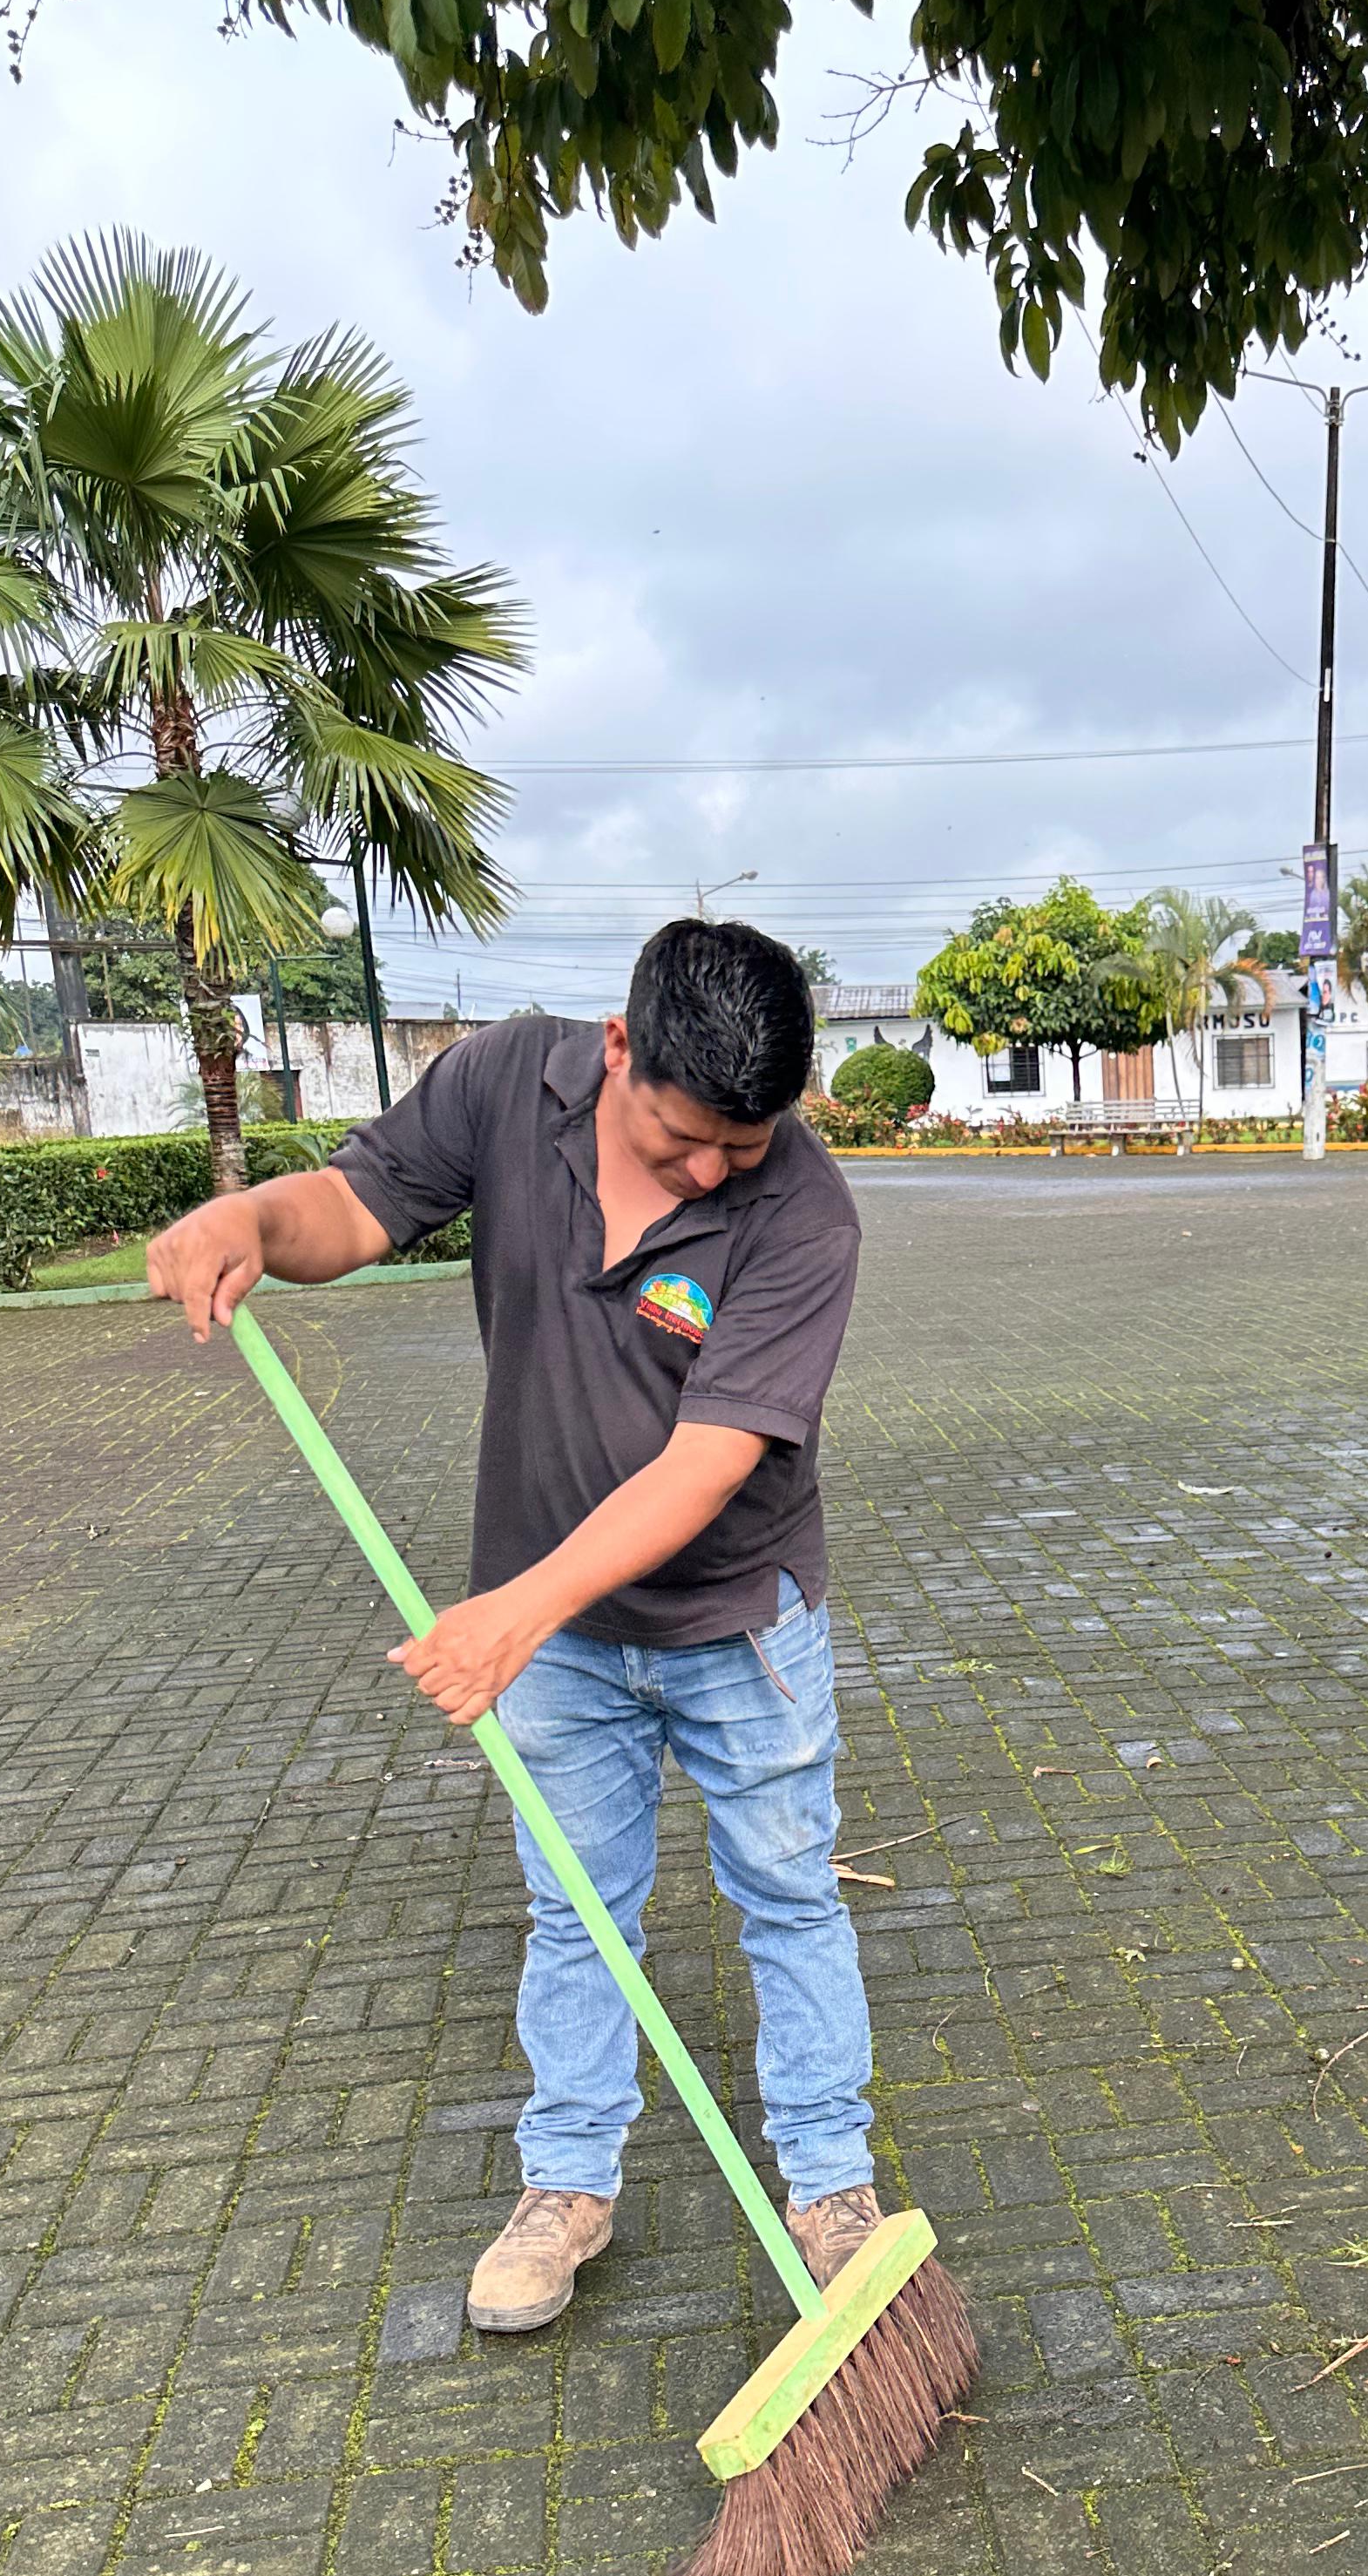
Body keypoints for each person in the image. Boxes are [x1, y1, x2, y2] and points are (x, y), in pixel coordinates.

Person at [146, 917, 888, 2333]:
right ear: (617, 1049)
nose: (713, 1172)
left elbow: (707, 1462)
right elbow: (354, 1206)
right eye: (685, 1140)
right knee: (577, 1907)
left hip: (739, 1626)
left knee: (790, 1896)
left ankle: (830, 2182)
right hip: (561, 1641)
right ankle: (568, 2183)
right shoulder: (504, 1082)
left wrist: (515, 1614)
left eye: (742, 1147)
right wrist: (251, 1223)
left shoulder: (805, 1211)